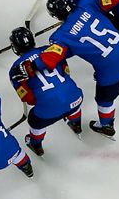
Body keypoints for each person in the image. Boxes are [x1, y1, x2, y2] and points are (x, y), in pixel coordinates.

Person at [35, 0, 119, 137]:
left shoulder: (61, 37)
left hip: (112, 73)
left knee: (104, 99)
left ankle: (106, 125)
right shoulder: (87, 2)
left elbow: (50, 59)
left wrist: (33, 63)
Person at [7, 26, 84, 154]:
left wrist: (47, 101)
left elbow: (28, 98)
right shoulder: (50, 50)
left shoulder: (15, 69)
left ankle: (35, 145)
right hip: (76, 99)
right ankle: (76, 125)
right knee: (71, 96)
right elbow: (66, 72)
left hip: (47, 112)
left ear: (15, 47)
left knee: (34, 120)